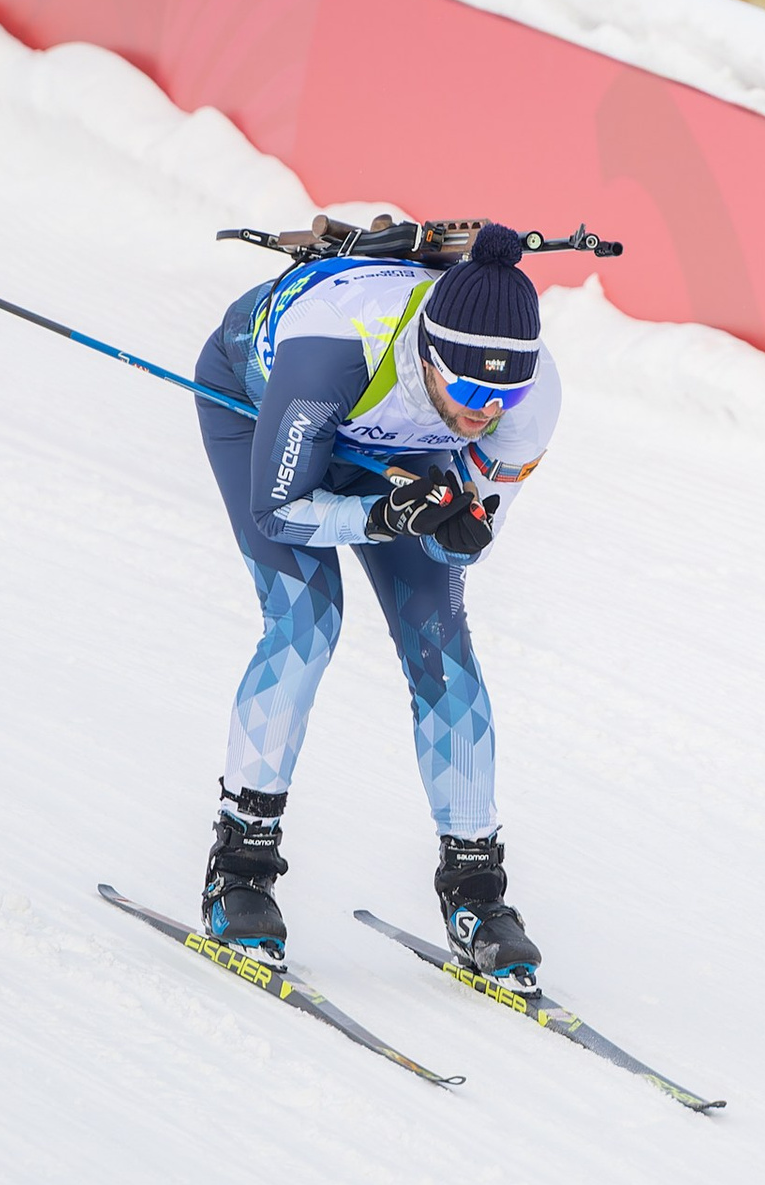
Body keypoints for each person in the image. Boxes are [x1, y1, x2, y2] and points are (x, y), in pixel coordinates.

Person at [191, 219, 561, 977]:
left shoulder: (528, 401)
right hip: (266, 407)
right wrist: (381, 513)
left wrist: (460, 525)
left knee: (440, 637)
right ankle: (240, 868)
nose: (484, 411)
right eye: (465, 388)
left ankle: (475, 889)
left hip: (398, 447)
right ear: (428, 350)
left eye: (504, 392)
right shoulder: (333, 350)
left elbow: (471, 523)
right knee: (306, 620)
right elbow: (280, 510)